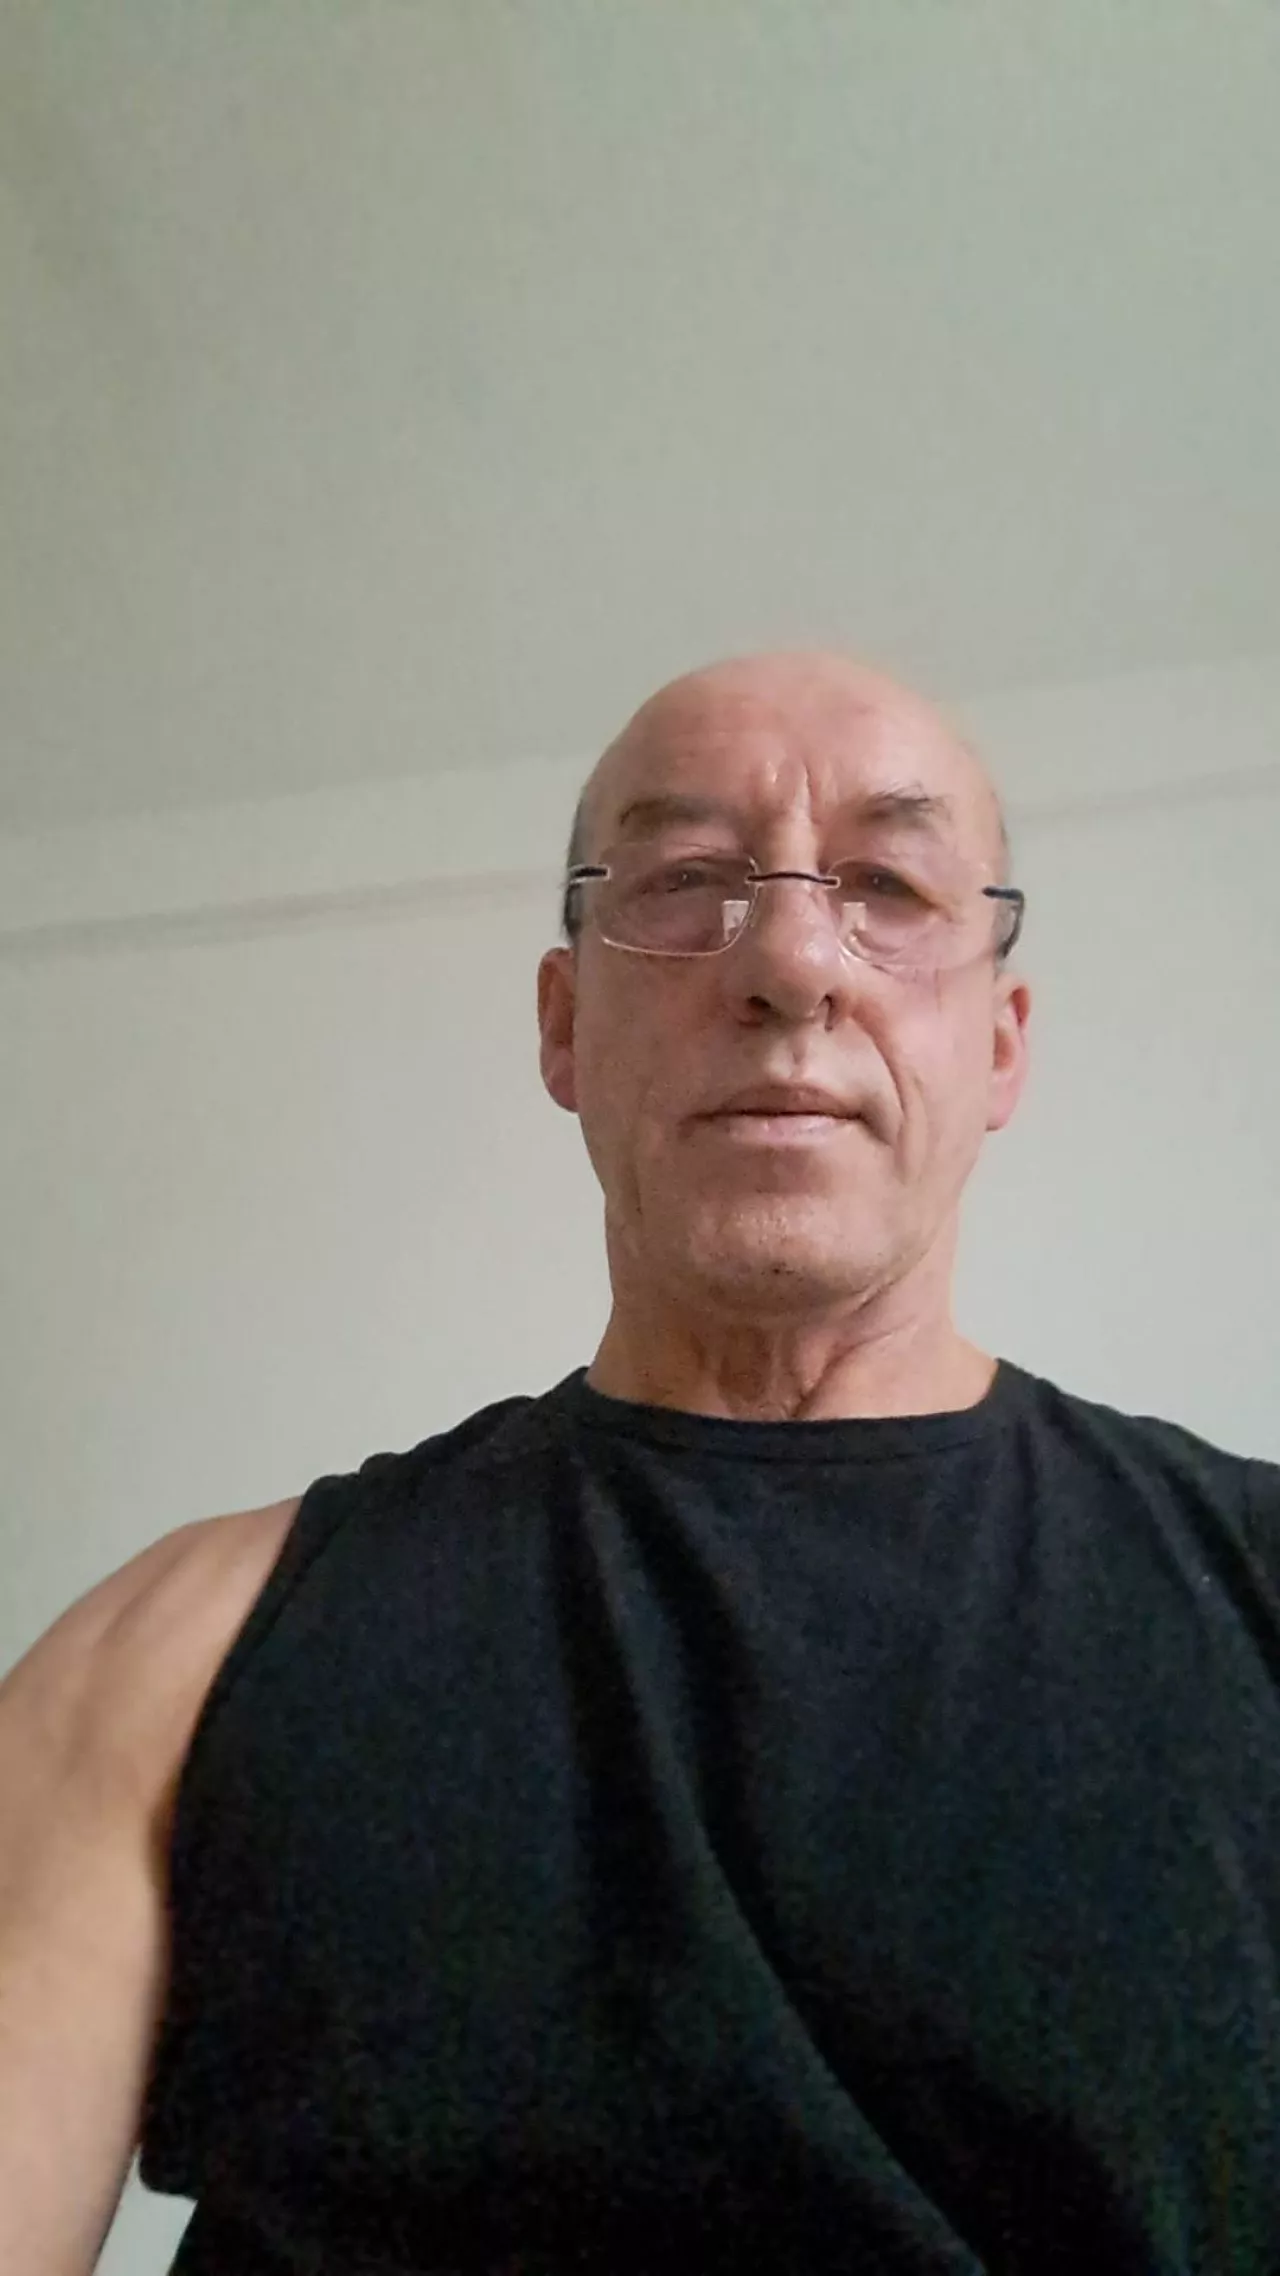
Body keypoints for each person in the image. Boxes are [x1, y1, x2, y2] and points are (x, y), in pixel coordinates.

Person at [1, 650, 1277, 2274]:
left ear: (1004, 1045)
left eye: (888, 885)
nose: (791, 963)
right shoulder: (172, 1658)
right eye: (683, 883)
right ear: (564, 1027)